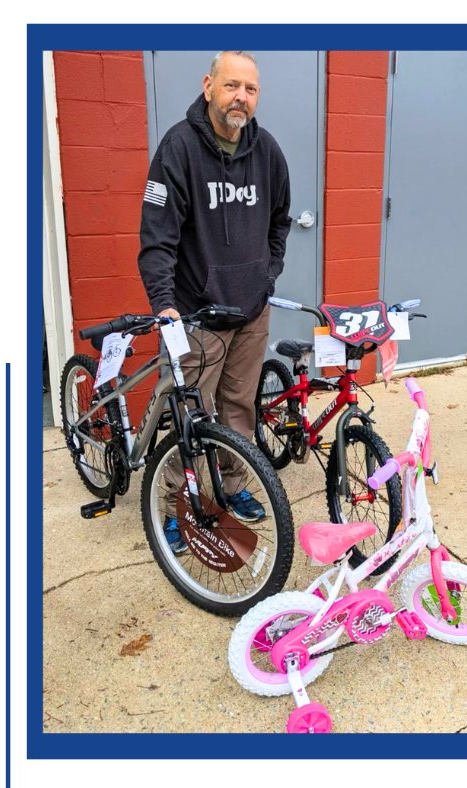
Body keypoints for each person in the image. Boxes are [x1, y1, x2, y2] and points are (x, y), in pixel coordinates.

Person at [138, 50, 292, 552]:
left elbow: (280, 222)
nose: (239, 98)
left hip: (250, 311)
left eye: (249, 89)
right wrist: (164, 304)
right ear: (209, 86)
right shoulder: (177, 149)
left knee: (238, 408)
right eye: (231, 86)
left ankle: (232, 488)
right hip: (195, 314)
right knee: (187, 415)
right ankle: (177, 508)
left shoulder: (267, 152)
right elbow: (157, 237)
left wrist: (267, 277)